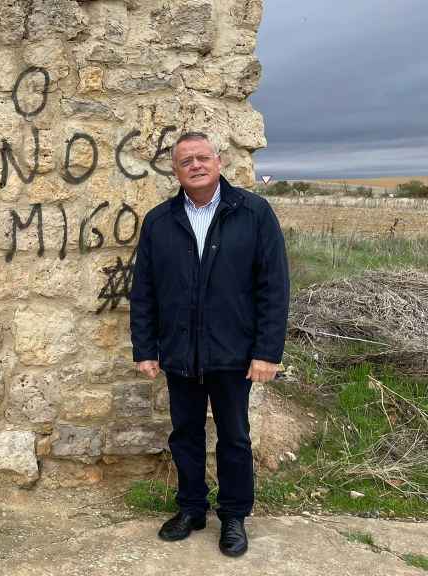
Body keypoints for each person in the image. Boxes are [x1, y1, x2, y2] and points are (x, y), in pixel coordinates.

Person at [129, 131, 289, 557]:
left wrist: (267, 352)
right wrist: (145, 348)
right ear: (176, 171)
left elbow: (274, 287)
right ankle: (192, 508)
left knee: (234, 436)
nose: (195, 165)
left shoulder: (253, 213)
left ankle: (234, 516)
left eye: (202, 157)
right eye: (186, 161)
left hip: (234, 353)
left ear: (219, 162)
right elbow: (143, 290)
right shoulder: (160, 221)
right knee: (185, 435)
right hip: (180, 353)